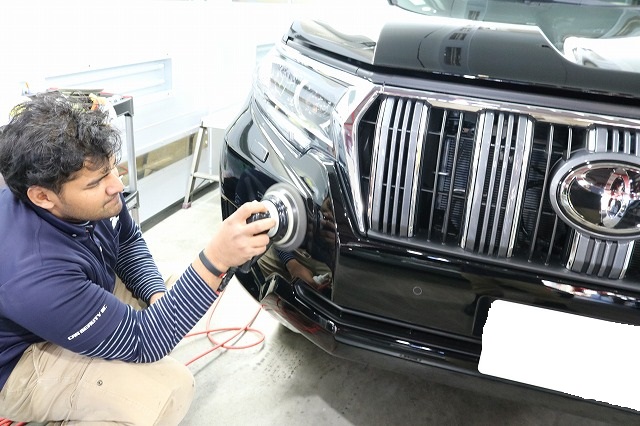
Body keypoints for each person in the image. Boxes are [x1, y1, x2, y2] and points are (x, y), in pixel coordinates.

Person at [0, 92, 275, 425]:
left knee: (172, 298)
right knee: (167, 391)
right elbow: (143, 341)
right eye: (97, 182)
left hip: (72, 293)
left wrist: (155, 293)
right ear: (43, 197)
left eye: (112, 168)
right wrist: (216, 258)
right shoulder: (33, 273)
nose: (116, 186)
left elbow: (127, 241)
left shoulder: (93, 197)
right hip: (17, 360)